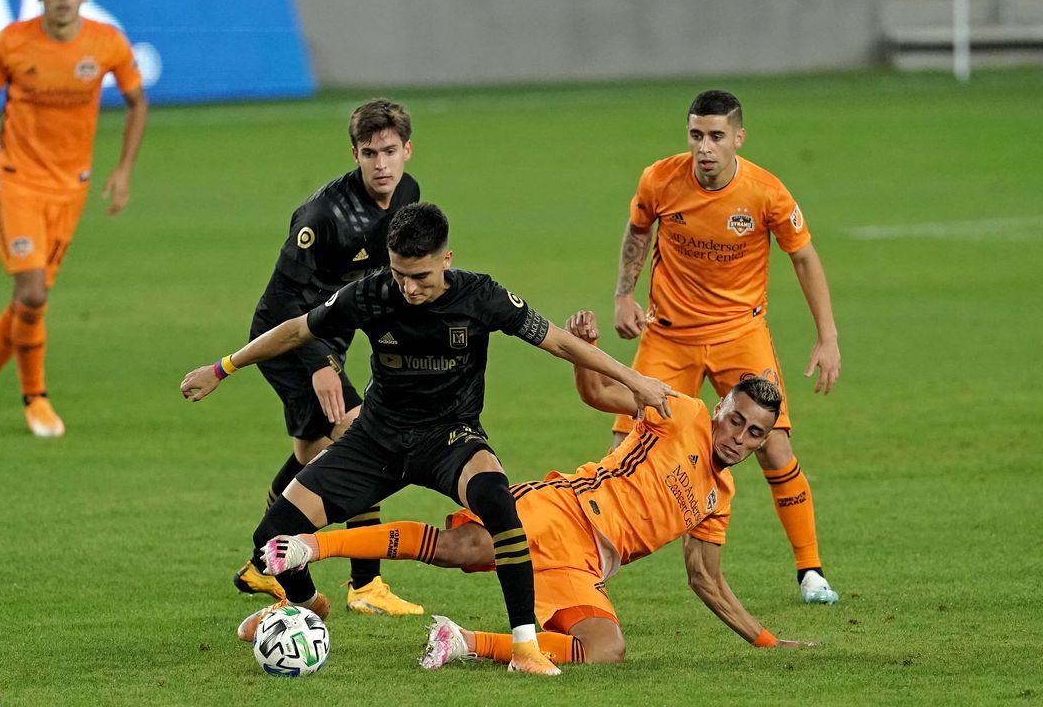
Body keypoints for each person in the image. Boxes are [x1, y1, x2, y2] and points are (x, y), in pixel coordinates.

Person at [181, 204, 677, 676]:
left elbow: (558, 341)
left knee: (498, 504)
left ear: (447, 259)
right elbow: (295, 330)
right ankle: (307, 607)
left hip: (450, 438)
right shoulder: (372, 293)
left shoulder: (480, 296)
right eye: (400, 274)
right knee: (272, 537)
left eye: (420, 276)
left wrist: (637, 383)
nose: (409, 287)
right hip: (376, 439)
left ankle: (525, 646)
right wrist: (222, 368)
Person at [258, 311, 816, 670]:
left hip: (587, 566)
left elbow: (706, 579)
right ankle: (311, 546)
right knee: (464, 550)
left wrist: (766, 641)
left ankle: (464, 642)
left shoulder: (719, 498)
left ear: (766, 439)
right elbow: (598, 392)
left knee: (605, 651)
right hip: (566, 510)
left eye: (754, 433)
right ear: (721, 408)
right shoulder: (682, 411)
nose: (739, 437)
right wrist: (588, 347)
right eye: (735, 421)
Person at [611, 90, 840, 603]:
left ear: (738, 137)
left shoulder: (765, 193)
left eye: (716, 137)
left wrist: (827, 336)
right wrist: (624, 295)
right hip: (669, 335)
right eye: (696, 135)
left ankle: (810, 571)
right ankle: (594, 567)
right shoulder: (660, 180)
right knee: (626, 449)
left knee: (775, 446)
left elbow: (804, 257)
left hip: (740, 334)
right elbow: (637, 228)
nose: (705, 148)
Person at [233, 98, 422, 616]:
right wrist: (319, 363)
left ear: (408, 150)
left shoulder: (407, 195)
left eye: (389, 151)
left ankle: (260, 563)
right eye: (369, 153)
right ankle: (366, 584)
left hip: (329, 338)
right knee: (364, 441)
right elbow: (281, 302)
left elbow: (387, 276)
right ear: (354, 154)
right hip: (286, 341)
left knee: (310, 453)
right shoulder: (323, 216)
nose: (381, 164)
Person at [0, 0, 148, 438]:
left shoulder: (106, 44)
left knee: (30, 300)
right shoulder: (13, 42)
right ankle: (34, 397)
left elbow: (136, 101)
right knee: (33, 292)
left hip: (71, 189)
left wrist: (123, 170)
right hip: (16, 180)